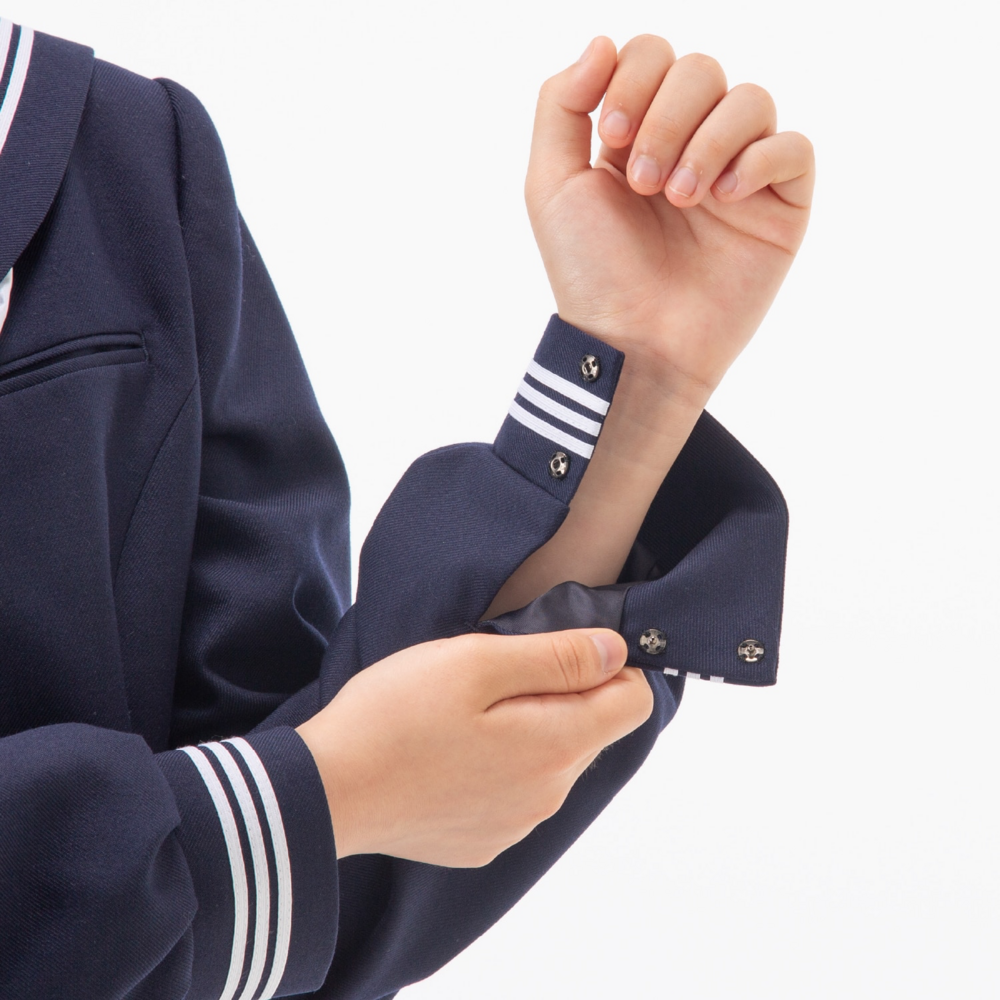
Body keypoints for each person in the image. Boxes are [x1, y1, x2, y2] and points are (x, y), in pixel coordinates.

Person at [0, 18, 813, 1000]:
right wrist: (323, 792)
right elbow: (314, 793)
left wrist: (633, 376)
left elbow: (313, 861)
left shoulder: (123, 159)